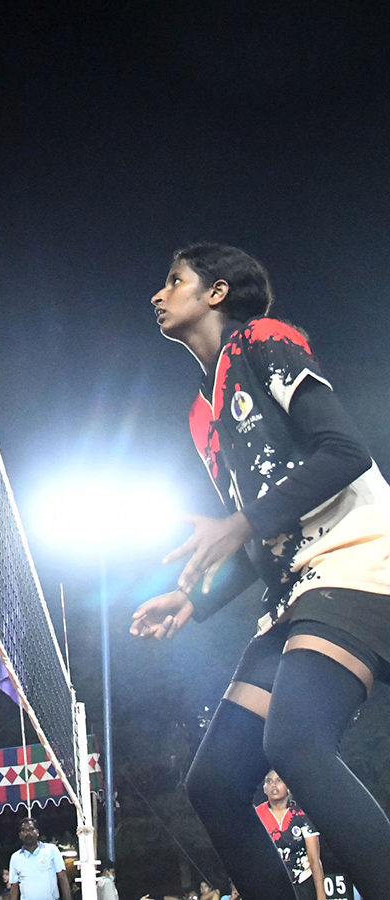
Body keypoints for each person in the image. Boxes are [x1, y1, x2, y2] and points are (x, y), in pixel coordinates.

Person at [131, 244, 390, 900]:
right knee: (213, 781)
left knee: (297, 742)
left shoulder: (262, 342)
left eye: (175, 280)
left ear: (216, 292)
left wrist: (241, 524)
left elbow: (345, 452)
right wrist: (196, 600)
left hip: (353, 559)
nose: (159, 295)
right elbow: (261, 527)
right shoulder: (202, 414)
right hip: (294, 587)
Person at [255, 771, 325, 900]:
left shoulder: (301, 814)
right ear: (264, 788)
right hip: (271, 887)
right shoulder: (257, 815)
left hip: (302, 886)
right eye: (269, 781)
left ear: (288, 787)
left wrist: (321, 896)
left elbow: (314, 859)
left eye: (279, 781)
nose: (273, 785)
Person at [8, 817, 71, 900]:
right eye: (24, 830)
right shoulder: (15, 858)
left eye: (31, 829)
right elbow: (14, 887)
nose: (28, 833)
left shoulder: (51, 850)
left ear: (37, 832)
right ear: (20, 835)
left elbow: (62, 877)